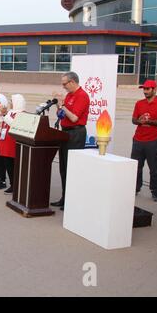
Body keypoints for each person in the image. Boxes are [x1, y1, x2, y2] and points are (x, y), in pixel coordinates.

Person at [51, 72, 90, 211]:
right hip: (65, 131)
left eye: (64, 84)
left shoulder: (82, 96)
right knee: (63, 167)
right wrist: (58, 105)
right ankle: (64, 197)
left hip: (76, 132)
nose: (63, 87)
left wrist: (63, 105)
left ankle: (71, 199)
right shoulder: (69, 95)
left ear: (72, 82)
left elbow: (74, 118)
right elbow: (61, 115)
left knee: (70, 167)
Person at [131, 80, 157, 202]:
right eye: (144, 89)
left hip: (153, 141)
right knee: (136, 166)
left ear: (154, 89)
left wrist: (149, 122)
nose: (145, 91)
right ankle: (135, 188)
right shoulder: (139, 103)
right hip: (138, 140)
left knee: (154, 168)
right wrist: (139, 121)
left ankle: (155, 192)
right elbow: (134, 119)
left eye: (147, 89)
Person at [0, 94, 26, 195]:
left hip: (13, 144)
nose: (10, 103)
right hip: (6, 143)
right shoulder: (11, 112)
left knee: (14, 166)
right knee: (9, 166)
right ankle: (12, 184)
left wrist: (5, 115)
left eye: (12, 101)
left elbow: (15, 125)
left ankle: (16, 186)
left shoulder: (21, 114)